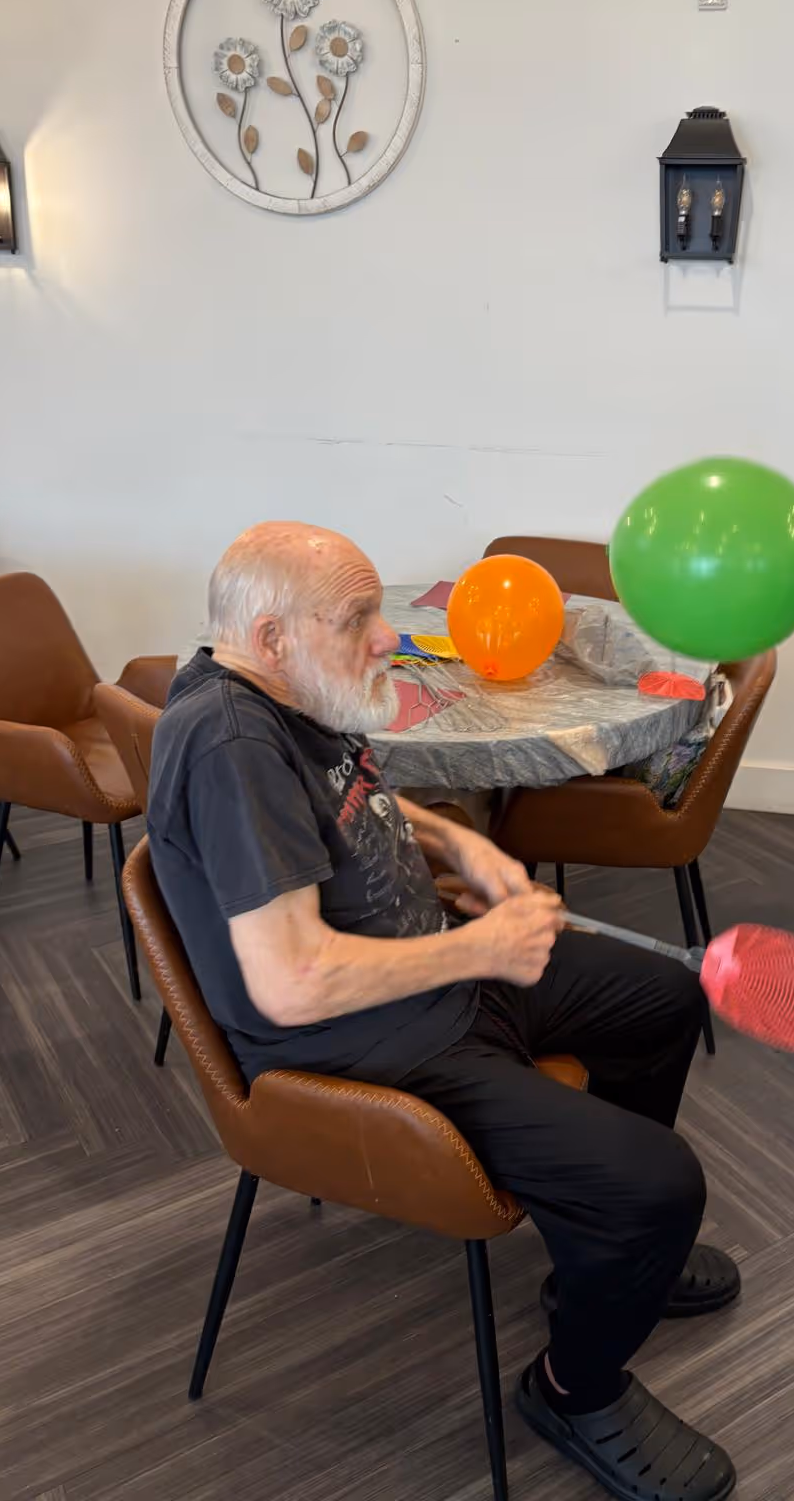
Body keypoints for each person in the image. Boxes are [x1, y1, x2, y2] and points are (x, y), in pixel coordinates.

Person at [148, 522, 739, 1501]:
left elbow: (353, 794)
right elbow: (289, 981)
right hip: (366, 1048)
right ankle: (571, 1387)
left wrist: (457, 846)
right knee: (660, 1186)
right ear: (272, 634)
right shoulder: (227, 741)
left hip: (433, 985)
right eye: (359, 619)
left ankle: (599, 1249)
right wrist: (482, 949)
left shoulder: (285, 693)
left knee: (662, 998)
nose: (388, 637)